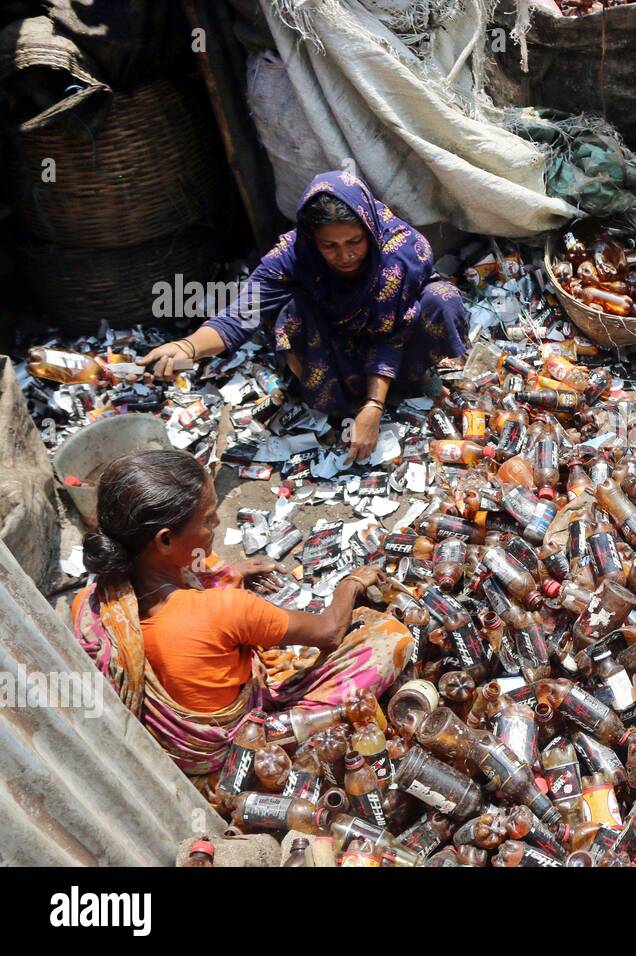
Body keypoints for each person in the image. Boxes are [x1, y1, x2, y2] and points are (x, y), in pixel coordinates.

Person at [72, 449, 413, 781]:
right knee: (388, 636)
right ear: (164, 540)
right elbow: (329, 631)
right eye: (207, 519)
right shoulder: (222, 610)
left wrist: (232, 574)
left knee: (210, 569)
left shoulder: (91, 603)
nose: (218, 522)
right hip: (238, 751)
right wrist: (350, 583)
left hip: (175, 748)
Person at [142, 171, 468, 464]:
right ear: (312, 239)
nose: (345, 255)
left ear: (369, 228)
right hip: (333, 346)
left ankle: (406, 382)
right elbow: (241, 315)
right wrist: (187, 347)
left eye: (355, 241)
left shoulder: (401, 252)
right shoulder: (294, 255)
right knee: (286, 312)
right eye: (330, 245)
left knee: (443, 300)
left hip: (397, 340)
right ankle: (338, 399)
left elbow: (390, 334)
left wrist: (374, 405)